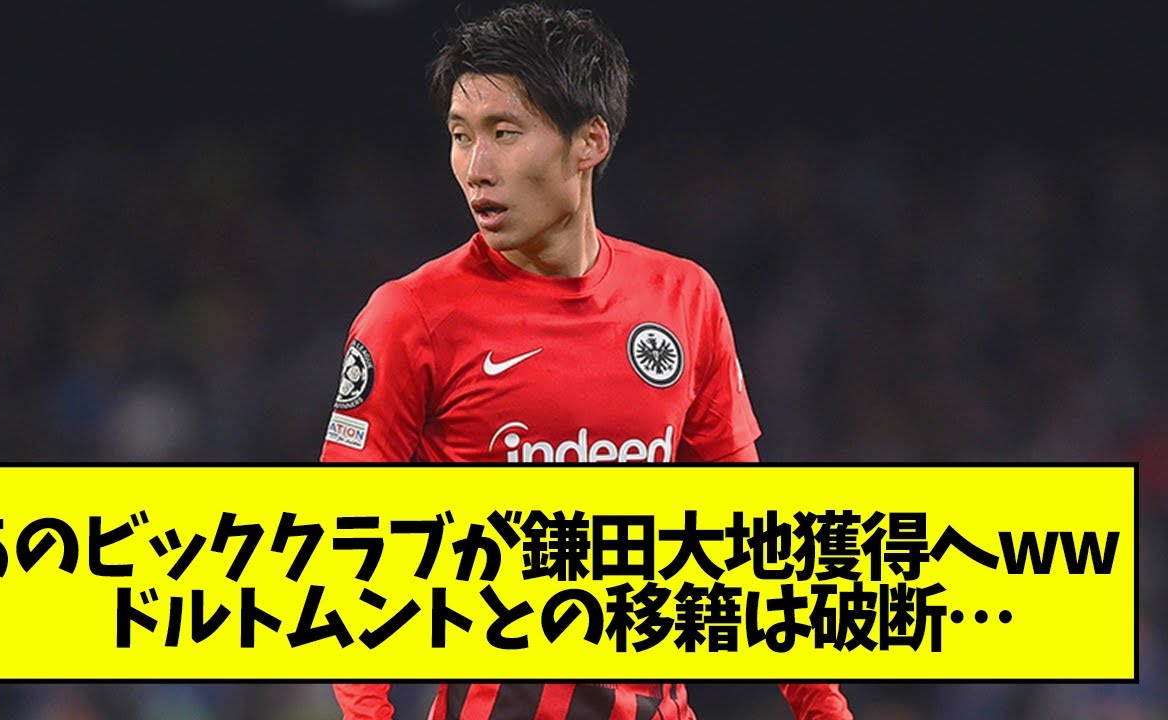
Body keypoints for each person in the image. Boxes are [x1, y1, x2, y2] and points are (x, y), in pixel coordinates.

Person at [321, 4, 852, 719]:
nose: (475, 168)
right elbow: (342, 552)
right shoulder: (410, 316)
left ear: (589, 142)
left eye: (504, 133)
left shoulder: (683, 299)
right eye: (460, 136)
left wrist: (825, 711)